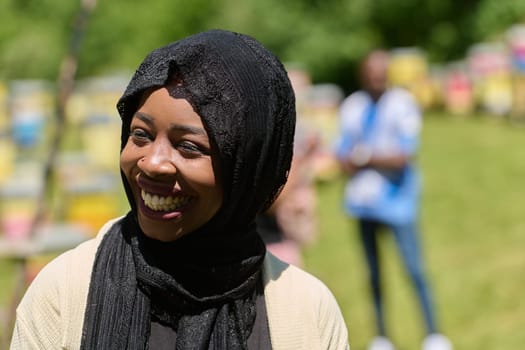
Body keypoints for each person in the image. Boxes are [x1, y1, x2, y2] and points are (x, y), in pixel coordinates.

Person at [10, 30, 349, 349]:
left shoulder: (307, 315)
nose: (153, 162)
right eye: (140, 134)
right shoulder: (65, 295)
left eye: (187, 146)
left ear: (247, 169)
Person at [335, 50, 451, 350]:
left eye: (381, 72)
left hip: (398, 202)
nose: (376, 78)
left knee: (414, 269)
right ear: (363, 75)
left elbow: (403, 156)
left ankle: (433, 333)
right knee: (374, 274)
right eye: (371, 73)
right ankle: (382, 336)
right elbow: (342, 157)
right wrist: (359, 160)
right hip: (363, 204)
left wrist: (365, 157)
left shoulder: (402, 104)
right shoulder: (352, 107)